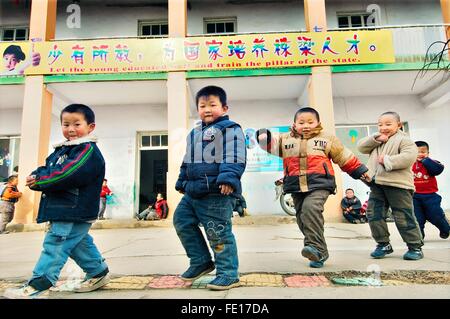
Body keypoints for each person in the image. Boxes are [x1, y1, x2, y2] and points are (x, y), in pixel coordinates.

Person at [4, 104, 110, 299]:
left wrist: (41, 180)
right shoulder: (63, 150)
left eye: (77, 124)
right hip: (67, 208)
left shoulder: (87, 150)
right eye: (66, 124)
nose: (70, 129)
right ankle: (98, 272)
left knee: (57, 243)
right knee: (78, 243)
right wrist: (36, 176)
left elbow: (69, 173)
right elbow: (48, 168)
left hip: (72, 208)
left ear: (90, 127)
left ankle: (40, 282)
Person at [256, 107, 369, 268]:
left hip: (320, 183)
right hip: (295, 185)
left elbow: (344, 157)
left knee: (310, 209)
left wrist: (360, 172)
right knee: (302, 218)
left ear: (318, 123)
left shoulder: (327, 139)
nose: (306, 125)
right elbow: (270, 146)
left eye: (310, 122)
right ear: (294, 123)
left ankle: (315, 248)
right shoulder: (285, 139)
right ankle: (319, 252)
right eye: (301, 122)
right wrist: (263, 137)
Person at [173, 85, 246, 290]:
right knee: (181, 221)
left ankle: (228, 273)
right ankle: (200, 261)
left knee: (218, 233)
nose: (207, 109)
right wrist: (181, 181)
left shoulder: (230, 128)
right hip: (193, 191)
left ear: (224, 107)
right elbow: (188, 160)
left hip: (217, 191)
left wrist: (228, 178)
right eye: (202, 105)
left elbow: (234, 154)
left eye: (212, 105)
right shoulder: (194, 133)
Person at [357, 111, 424, 261]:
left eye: (388, 124)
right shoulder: (378, 140)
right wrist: (375, 138)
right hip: (377, 184)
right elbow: (361, 147)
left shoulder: (404, 140)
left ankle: (415, 246)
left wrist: (388, 160)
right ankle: (383, 244)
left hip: (398, 185)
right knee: (373, 214)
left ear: (398, 125)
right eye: (380, 124)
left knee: (403, 216)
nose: (383, 127)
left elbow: (409, 157)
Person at [412, 141, 449, 239]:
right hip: (414, 196)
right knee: (417, 218)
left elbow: (438, 170)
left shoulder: (431, 162)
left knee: (435, 215)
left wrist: (426, 161)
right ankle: (419, 236)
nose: (420, 154)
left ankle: (445, 228)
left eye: (423, 152)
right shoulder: (409, 164)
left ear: (428, 153)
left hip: (430, 196)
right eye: (417, 152)